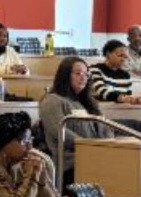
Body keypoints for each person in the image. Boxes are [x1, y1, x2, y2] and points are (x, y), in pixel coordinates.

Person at [39, 55, 111, 183]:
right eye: (78, 73)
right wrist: (89, 146)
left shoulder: (88, 102)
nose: (83, 77)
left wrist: (111, 144)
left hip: (97, 157)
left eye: (86, 74)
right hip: (70, 163)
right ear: (65, 75)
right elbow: (59, 131)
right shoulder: (52, 100)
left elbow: (105, 127)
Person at [87, 39, 141, 106]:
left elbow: (127, 97)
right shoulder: (95, 69)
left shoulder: (126, 75)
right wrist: (123, 98)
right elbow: (101, 91)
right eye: (120, 55)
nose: (123, 59)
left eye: (125, 57)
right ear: (108, 54)